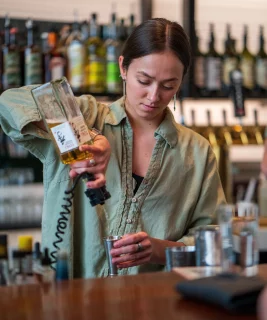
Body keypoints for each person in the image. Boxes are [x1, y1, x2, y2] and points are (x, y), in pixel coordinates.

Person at [0, 18, 225, 278]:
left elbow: (214, 238)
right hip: (72, 301)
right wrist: (89, 136)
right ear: (123, 68)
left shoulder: (196, 152)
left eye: (168, 86)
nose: (154, 96)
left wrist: (159, 250)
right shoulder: (85, 115)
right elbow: (9, 102)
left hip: (152, 306)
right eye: (144, 80)